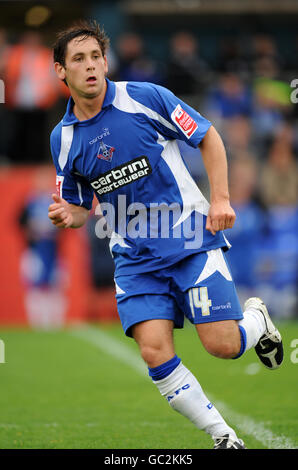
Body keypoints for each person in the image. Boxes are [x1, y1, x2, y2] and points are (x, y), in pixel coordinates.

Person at [48, 20, 283, 449]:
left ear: (106, 61)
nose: (90, 66)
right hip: (133, 256)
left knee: (223, 346)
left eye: (96, 56)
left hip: (188, 236)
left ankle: (256, 321)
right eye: (78, 59)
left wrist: (221, 199)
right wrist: (69, 215)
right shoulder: (63, 139)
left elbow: (208, 135)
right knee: (154, 351)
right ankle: (224, 437)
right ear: (61, 71)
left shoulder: (145, 97)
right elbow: (81, 207)